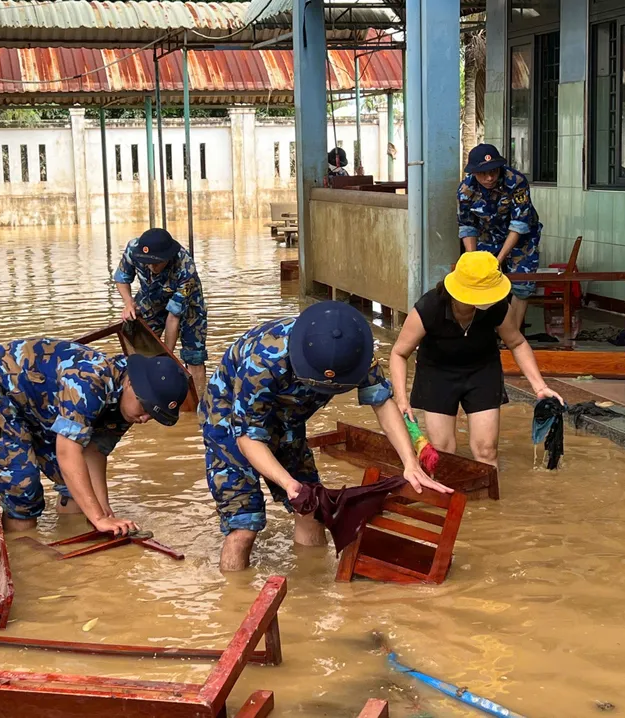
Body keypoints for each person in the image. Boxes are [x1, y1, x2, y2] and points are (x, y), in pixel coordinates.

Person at [200, 300, 452, 572]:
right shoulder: (263, 362)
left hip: (289, 419)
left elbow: (381, 402)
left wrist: (410, 463)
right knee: (244, 525)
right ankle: (235, 593)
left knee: (310, 508)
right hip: (228, 418)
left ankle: (313, 583)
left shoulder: (355, 352)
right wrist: (287, 482)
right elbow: (248, 438)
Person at [0, 338, 190, 534]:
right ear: (130, 384)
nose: (145, 418)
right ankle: (22, 548)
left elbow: (94, 451)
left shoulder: (129, 406)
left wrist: (104, 510)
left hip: (36, 405)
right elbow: (67, 453)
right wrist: (99, 518)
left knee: (78, 493)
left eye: (153, 415)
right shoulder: (91, 382)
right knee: (23, 492)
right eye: (145, 408)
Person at [389, 251, 563, 467]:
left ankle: (488, 490)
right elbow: (399, 353)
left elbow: (517, 343)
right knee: (444, 450)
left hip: (482, 371)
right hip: (437, 373)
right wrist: (401, 399)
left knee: (486, 450)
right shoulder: (429, 307)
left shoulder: (497, 306)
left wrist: (540, 387)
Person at [457, 143, 542, 332]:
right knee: (482, 281)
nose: (489, 178)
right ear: (474, 173)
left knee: (521, 285)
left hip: (522, 238)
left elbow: (519, 224)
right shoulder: (465, 190)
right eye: (483, 174)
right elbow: (467, 226)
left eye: (493, 172)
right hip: (488, 236)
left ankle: (512, 337)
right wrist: (473, 259)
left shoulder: (516, 181)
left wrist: (499, 260)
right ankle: (484, 333)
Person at [115, 227, 207, 395]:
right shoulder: (134, 249)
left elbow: (173, 317)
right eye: (147, 262)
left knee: (194, 356)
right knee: (140, 346)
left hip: (188, 305)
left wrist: (167, 357)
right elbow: (122, 279)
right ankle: (142, 395)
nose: (152, 267)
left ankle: (199, 402)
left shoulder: (186, 269)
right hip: (151, 299)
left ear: (168, 257)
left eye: (157, 262)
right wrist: (128, 303)